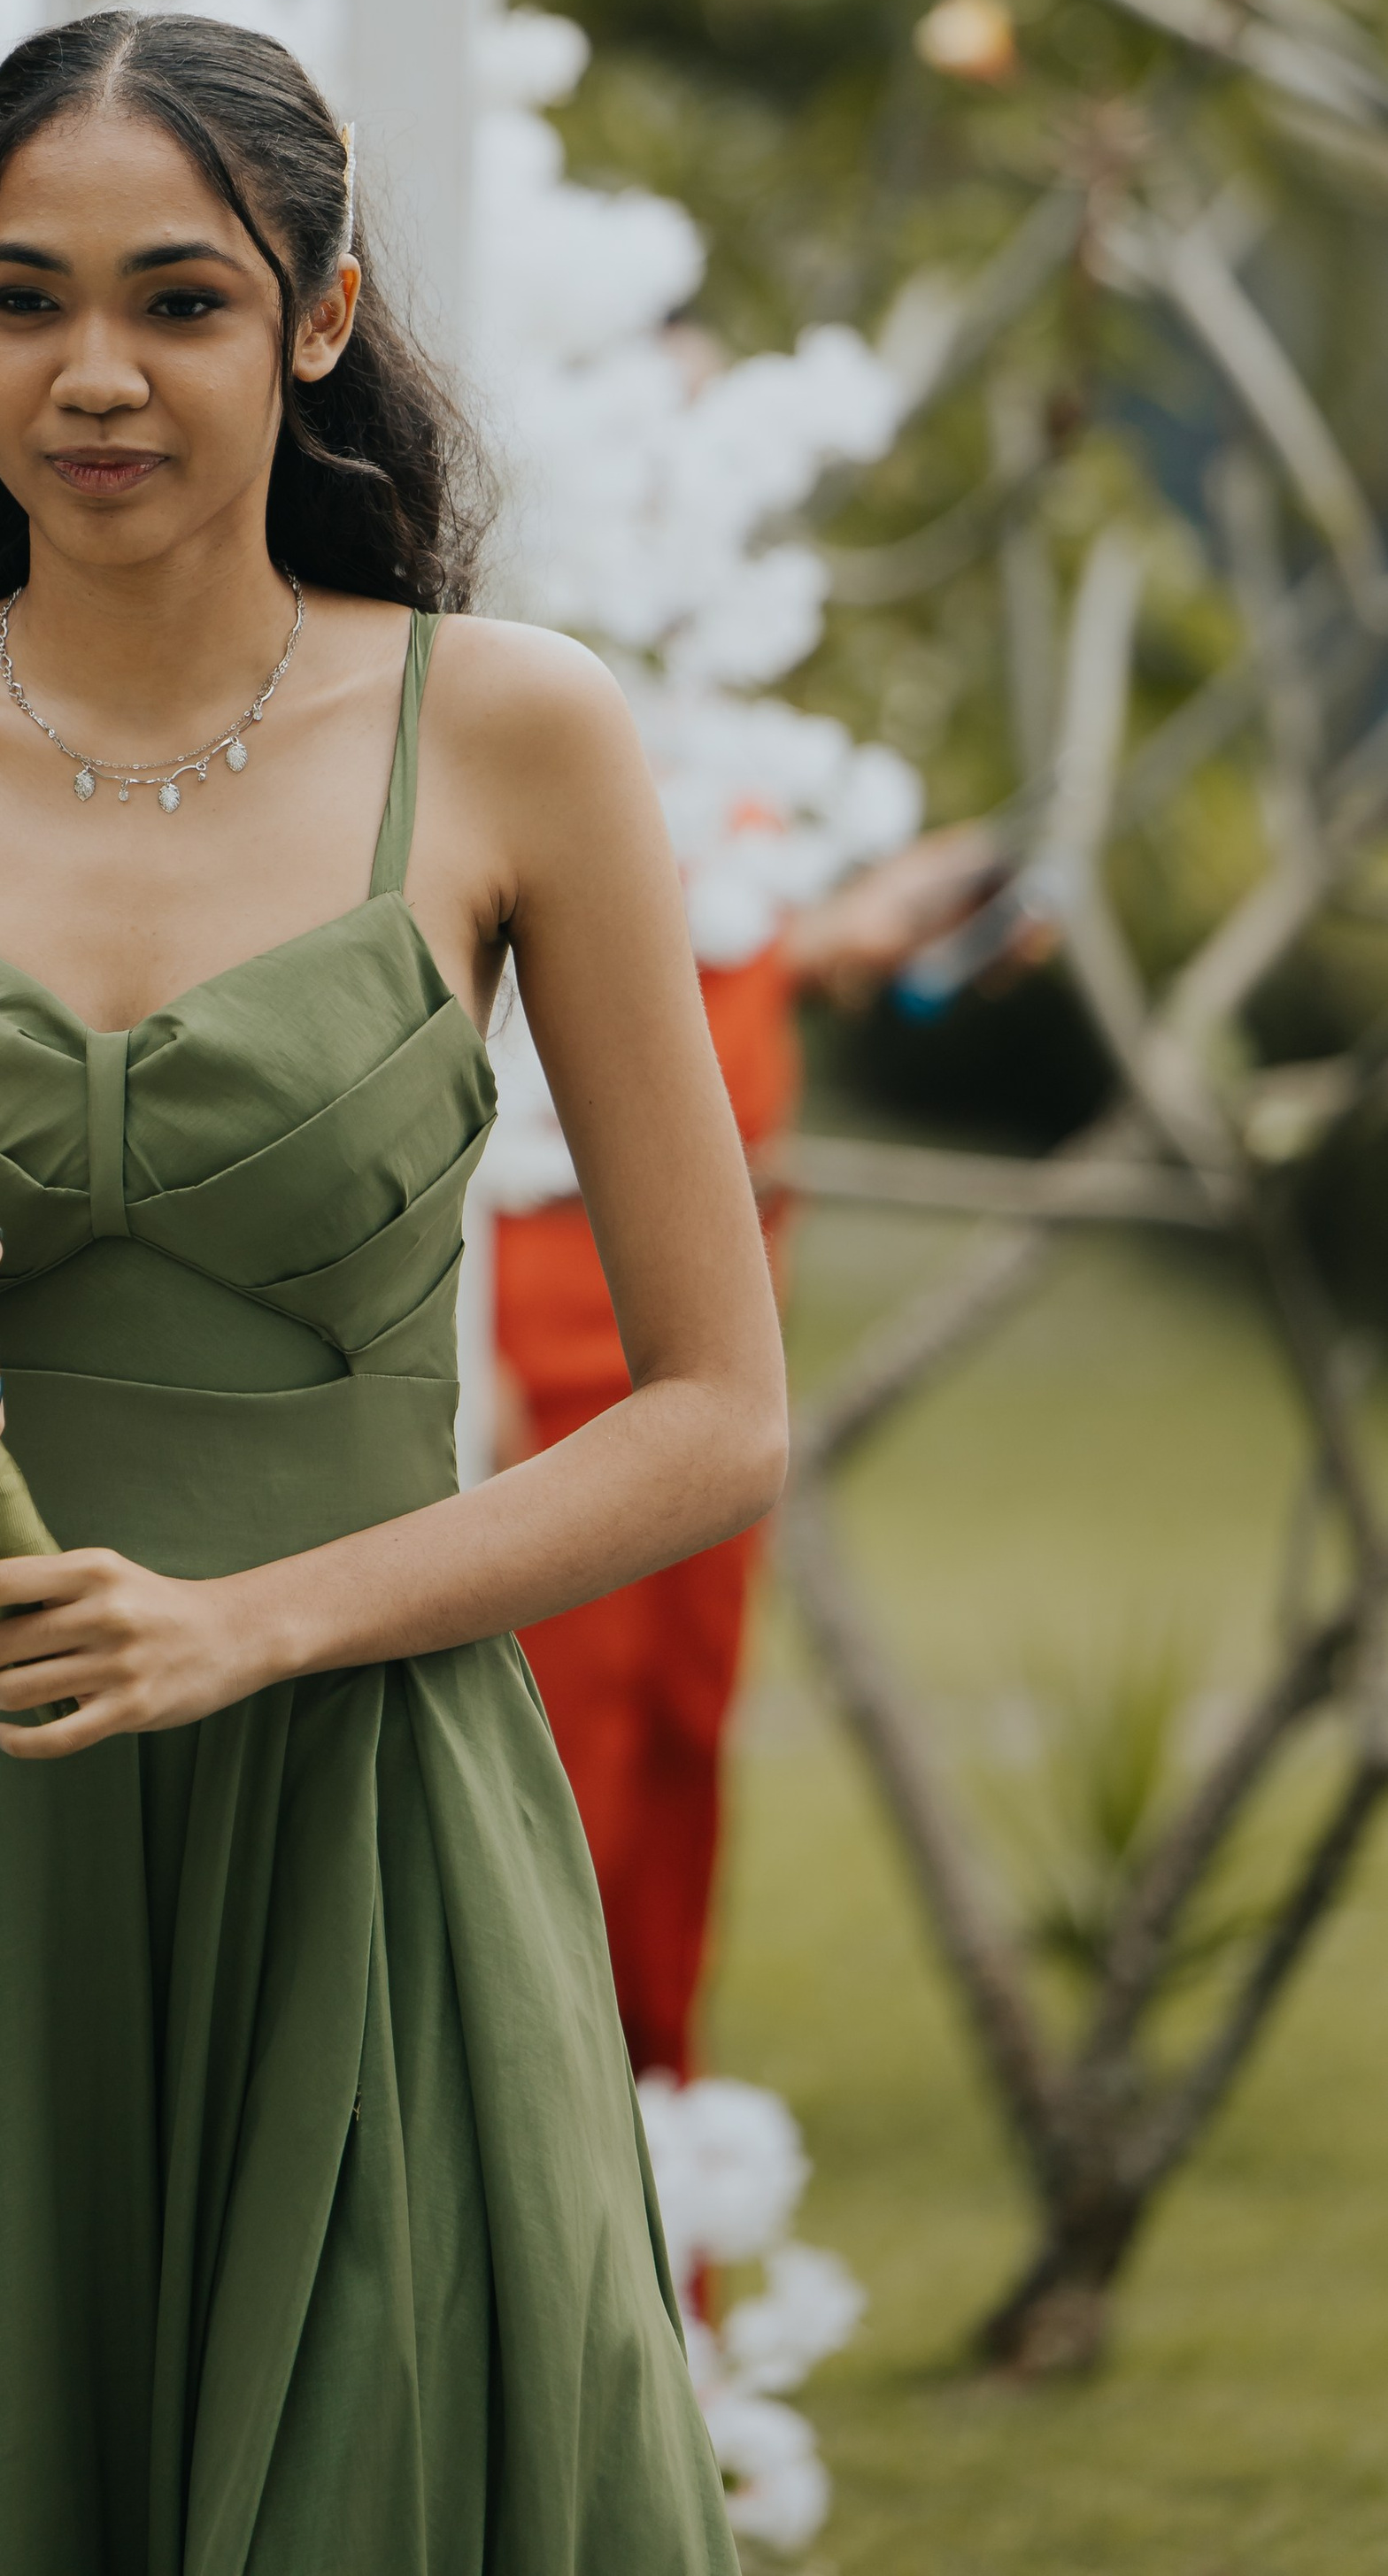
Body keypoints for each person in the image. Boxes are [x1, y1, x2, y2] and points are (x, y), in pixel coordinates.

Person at [0, 9, 787, 2575]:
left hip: (366, 1821)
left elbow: (718, 1413)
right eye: (20, 298)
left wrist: (252, 1629)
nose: (93, 375)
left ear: (316, 318)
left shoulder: (512, 737)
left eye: (177, 299)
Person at [493, 826, 1014, 2082]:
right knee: (551, 1762)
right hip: (543, 1307)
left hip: (711, 1323)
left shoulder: (744, 802)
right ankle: (530, 2119)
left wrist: (847, 931)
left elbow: (697, 973)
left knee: (677, 1741)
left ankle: (649, 2120)